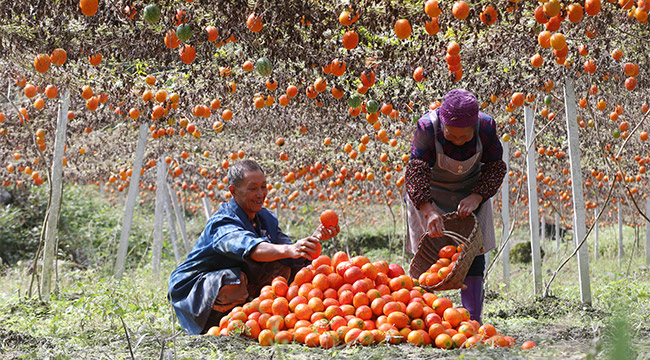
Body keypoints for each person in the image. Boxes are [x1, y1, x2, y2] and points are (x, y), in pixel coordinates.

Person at [168, 159, 339, 335]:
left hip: (241, 281)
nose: (261, 193)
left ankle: (255, 317)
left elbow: (287, 250)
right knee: (232, 280)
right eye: (253, 188)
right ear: (233, 191)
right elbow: (250, 247)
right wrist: (289, 250)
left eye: (263, 187)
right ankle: (217, 324)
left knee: (287, 265)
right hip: (194, 291)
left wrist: (313, 240)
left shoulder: (265, 218)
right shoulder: (222, 222)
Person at [405, 89, 506, 323]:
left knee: (473, 252)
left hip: (470, 192)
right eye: (452, 136)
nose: (458, 141)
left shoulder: (487, 127)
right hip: (429, 192)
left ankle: (473, 319)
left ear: (475, 128)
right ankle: (426, 320)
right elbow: (416, 170)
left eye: (465, 137)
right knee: (428, 253)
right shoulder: (427, 128)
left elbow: (495, 167)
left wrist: (477, 196)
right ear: (442, 125)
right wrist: (428, 209)